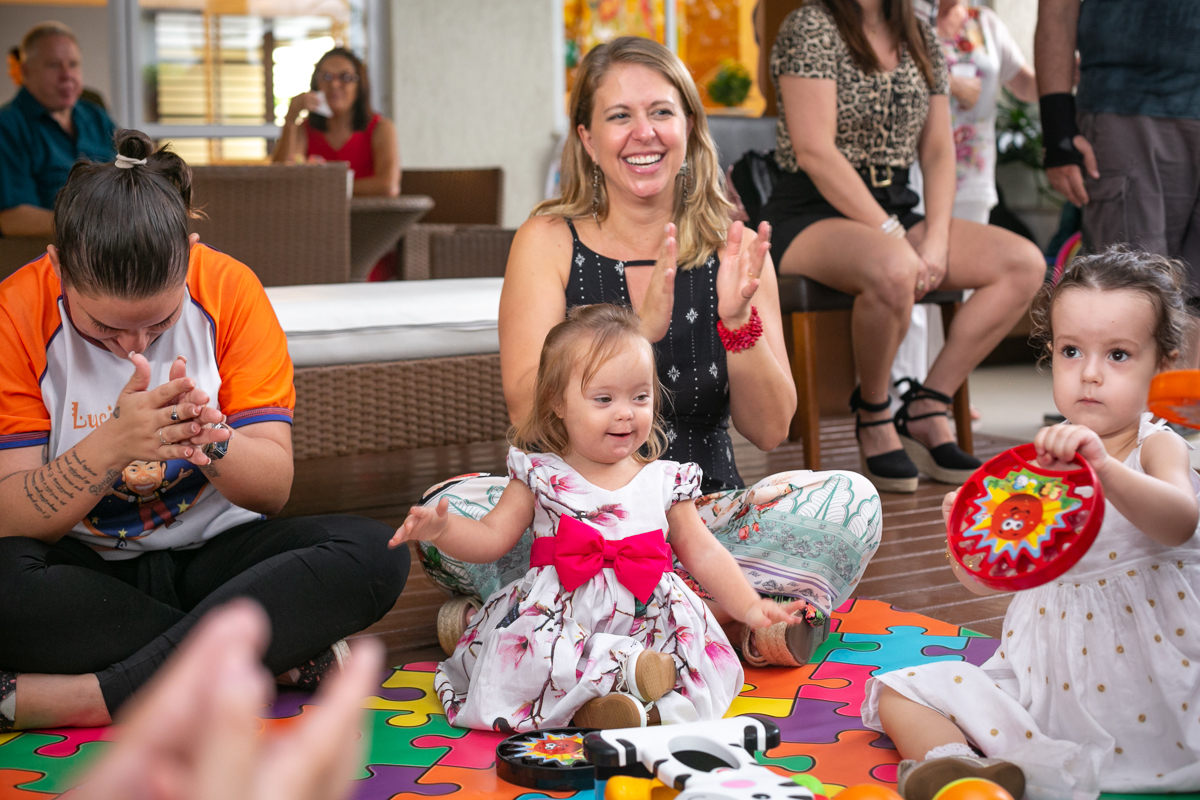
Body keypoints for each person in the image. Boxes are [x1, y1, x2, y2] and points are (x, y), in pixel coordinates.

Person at [417, 36, 883, 670]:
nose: (645, 133)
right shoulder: (548, 239)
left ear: (688, 126)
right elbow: (530, 413)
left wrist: (737, 325)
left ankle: (534, 620)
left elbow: (771, 429)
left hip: (706, 519)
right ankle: (724, 618)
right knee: (451, 510)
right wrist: (638, 331)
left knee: (852, 502)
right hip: (573, 521)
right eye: (620, 116)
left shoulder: (734, 249)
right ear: (587, 139)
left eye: (661, 112)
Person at [0, 130, 409, 730]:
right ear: (58, 265)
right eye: (104, 329)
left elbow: (273, 489)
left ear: (189, 256)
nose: (134, 346)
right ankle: (262, 661)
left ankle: (94, 697)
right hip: (86, 572)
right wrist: (112, 445)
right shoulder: (16, 309)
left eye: (158, 323)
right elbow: (11, 516)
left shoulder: (230, 289)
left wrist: (210, 440)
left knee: (376, 554)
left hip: (217, 561)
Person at [863, 247, 1200, 800]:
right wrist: (966, 543)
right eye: (1071, 351)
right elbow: (996, 582)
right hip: (1048, 674)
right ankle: (956, 769)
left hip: (1149, 677)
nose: (1089, 373)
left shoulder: (1155, 446)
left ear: (1162, 366)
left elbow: (1180, 522)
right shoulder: (1034, 470)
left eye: (1118, 354)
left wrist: (1104, 468)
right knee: (901, 690)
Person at [393, 305, 807, 730]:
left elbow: (704, 552)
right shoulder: (540, 475)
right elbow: (490, 539)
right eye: (604, 399)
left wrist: (750, 606)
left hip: (649, 618)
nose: (625, 412)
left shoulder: (665, 480)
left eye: (640, 397)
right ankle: (619, 688)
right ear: (557, 401)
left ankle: (632, 705)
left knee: (686, 663)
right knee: (538, 657)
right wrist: (444, 529)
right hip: (563, 620)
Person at [760, 0, 1045, 492]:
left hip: (895, 201)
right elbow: (814, 151)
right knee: (895, 267)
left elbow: (937, 150)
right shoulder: (811, 25)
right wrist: (893, 234)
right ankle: (874, 412)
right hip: (810, 208)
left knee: (1023, 264)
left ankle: (928, 406)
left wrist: (936, 237)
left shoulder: (919, 33)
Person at [73, 600, 384, 800]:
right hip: (99, 574)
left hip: (222, 560)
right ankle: (85, 696)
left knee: (376, 553)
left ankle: (85, 692)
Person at [1036, 0, 1200, 366]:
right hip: (1126, 104)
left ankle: (1181, 403)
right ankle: (1113, 403)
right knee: (1125, 291)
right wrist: (1058, 128)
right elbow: (1057, 9)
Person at [0, 22, 115, 238]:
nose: (67, 75)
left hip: (119, 241)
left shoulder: (96, 115)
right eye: (53, 65)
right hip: (58, 248)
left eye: (73, 64)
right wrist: (92, 228)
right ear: (25, 71)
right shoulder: (8, 126)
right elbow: (11, 218)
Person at [937, 0, 1037, 225]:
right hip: (918, 169)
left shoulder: (983, 22)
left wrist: (1066, 74)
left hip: (972, 172)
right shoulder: (907, 22)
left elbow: (1024, 85)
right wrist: (949, 83)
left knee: (969, 245)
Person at [272, 47, 400, 199]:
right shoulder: (305, 130)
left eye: (345, 77)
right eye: (326, 77)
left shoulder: (381, 128)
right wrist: (290, 118)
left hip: (366, 213)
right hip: (316, 213)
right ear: (316, 84)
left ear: (359, 86)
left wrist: (325, 187)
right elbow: (278, 181)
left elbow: (388, 186)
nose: (334, 84)